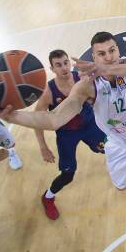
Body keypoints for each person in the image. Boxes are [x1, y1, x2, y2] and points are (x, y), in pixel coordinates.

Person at [0, 34, 126, 217]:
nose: (109, 57)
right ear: (94, 57)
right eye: (102, 54)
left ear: (119, 50)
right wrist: (13, 117)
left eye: (112, 51)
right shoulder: (87, 85)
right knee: (121, 186)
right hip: (118, 145)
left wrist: (108, 69)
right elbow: (54, 119)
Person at [34, 50, 106, 220]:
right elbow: (37, 120)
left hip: (89, 126)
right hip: (66, 134)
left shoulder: (81, 78)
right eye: (58, 65)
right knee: (68, 174)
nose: (64, 67)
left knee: (111, 148)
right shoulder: (48, 92)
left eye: (66, 62)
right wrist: (43, 147)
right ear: (52, 69)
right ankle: (48, 197)